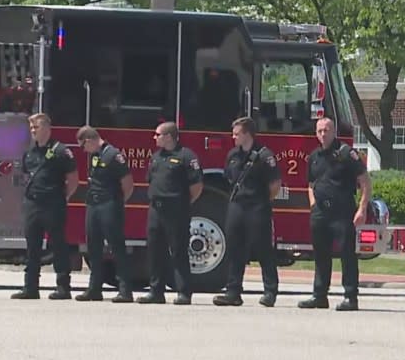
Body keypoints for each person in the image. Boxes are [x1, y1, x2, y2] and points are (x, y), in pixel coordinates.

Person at [299, 117, 372, 311]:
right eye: (320, 131)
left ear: (334, 132)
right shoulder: (314, 156)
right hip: (321, 212)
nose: (323, 134)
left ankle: (350, 296)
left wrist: (362, 209)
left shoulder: (347, 153)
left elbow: (365, 181)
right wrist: (313, 205)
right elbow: (310, 184)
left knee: (347, 255)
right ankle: (320, 295)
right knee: (321, 255)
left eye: (327, 130)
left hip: (342, 211)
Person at [213, 117, 282, 308]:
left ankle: (270, 291)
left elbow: (275, 184)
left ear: (247, 134)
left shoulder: (264, 155)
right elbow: (229, 178)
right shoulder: (233, 155)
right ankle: (233, 292)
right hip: (237, 205)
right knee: (235, 249)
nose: (233, 137)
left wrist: (261, 201)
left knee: (263, 249)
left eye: (236, 133)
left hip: (257, 206)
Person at [12, 113, 78, 300]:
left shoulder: (60, 151)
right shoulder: (30, 153)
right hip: (33, 204)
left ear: (48, 128)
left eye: (37, 127)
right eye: (31, 128)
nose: (33, 131)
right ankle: (31, 287)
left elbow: (73, 179)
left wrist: (62, 197)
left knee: (57, 246)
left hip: (53, 204)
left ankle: (63, 287)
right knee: (32, 247)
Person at [137, 122, 203, 305]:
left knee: (178, 250)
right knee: (155, 250)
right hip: (156, 209)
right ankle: (156, 291)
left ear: (168, 136)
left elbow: (196, 186)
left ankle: (184, 292)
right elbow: (151, 180)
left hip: (176, 209)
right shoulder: (156, 157)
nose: (154, 137)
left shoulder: (186, 156)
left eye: (157, 134)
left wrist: (182, 203)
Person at [75, 126, 135, 303]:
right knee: (93, 247)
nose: (83, 150)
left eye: (82, 146)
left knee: (116, 247)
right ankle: (94, 289)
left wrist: (117, 202)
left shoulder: (113, 155)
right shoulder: (95, 155)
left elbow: (128, 183)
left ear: (90, 140)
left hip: (110, 204)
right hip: (93, 204)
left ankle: (125, 290)